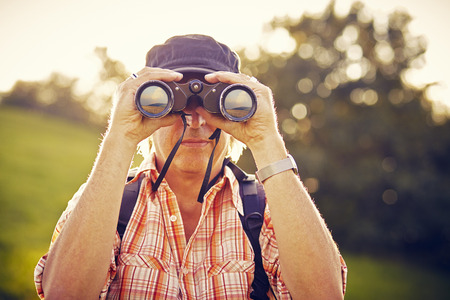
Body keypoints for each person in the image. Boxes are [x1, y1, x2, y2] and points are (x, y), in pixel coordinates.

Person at [34, 34, 347, 299]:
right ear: (146, 109)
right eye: (172, 102)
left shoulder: (268, 207)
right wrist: (120, 136)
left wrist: (267, 140)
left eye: (217, 104)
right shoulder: (109, 203)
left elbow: (326, 294)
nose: (195, 121)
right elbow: (63, 292)